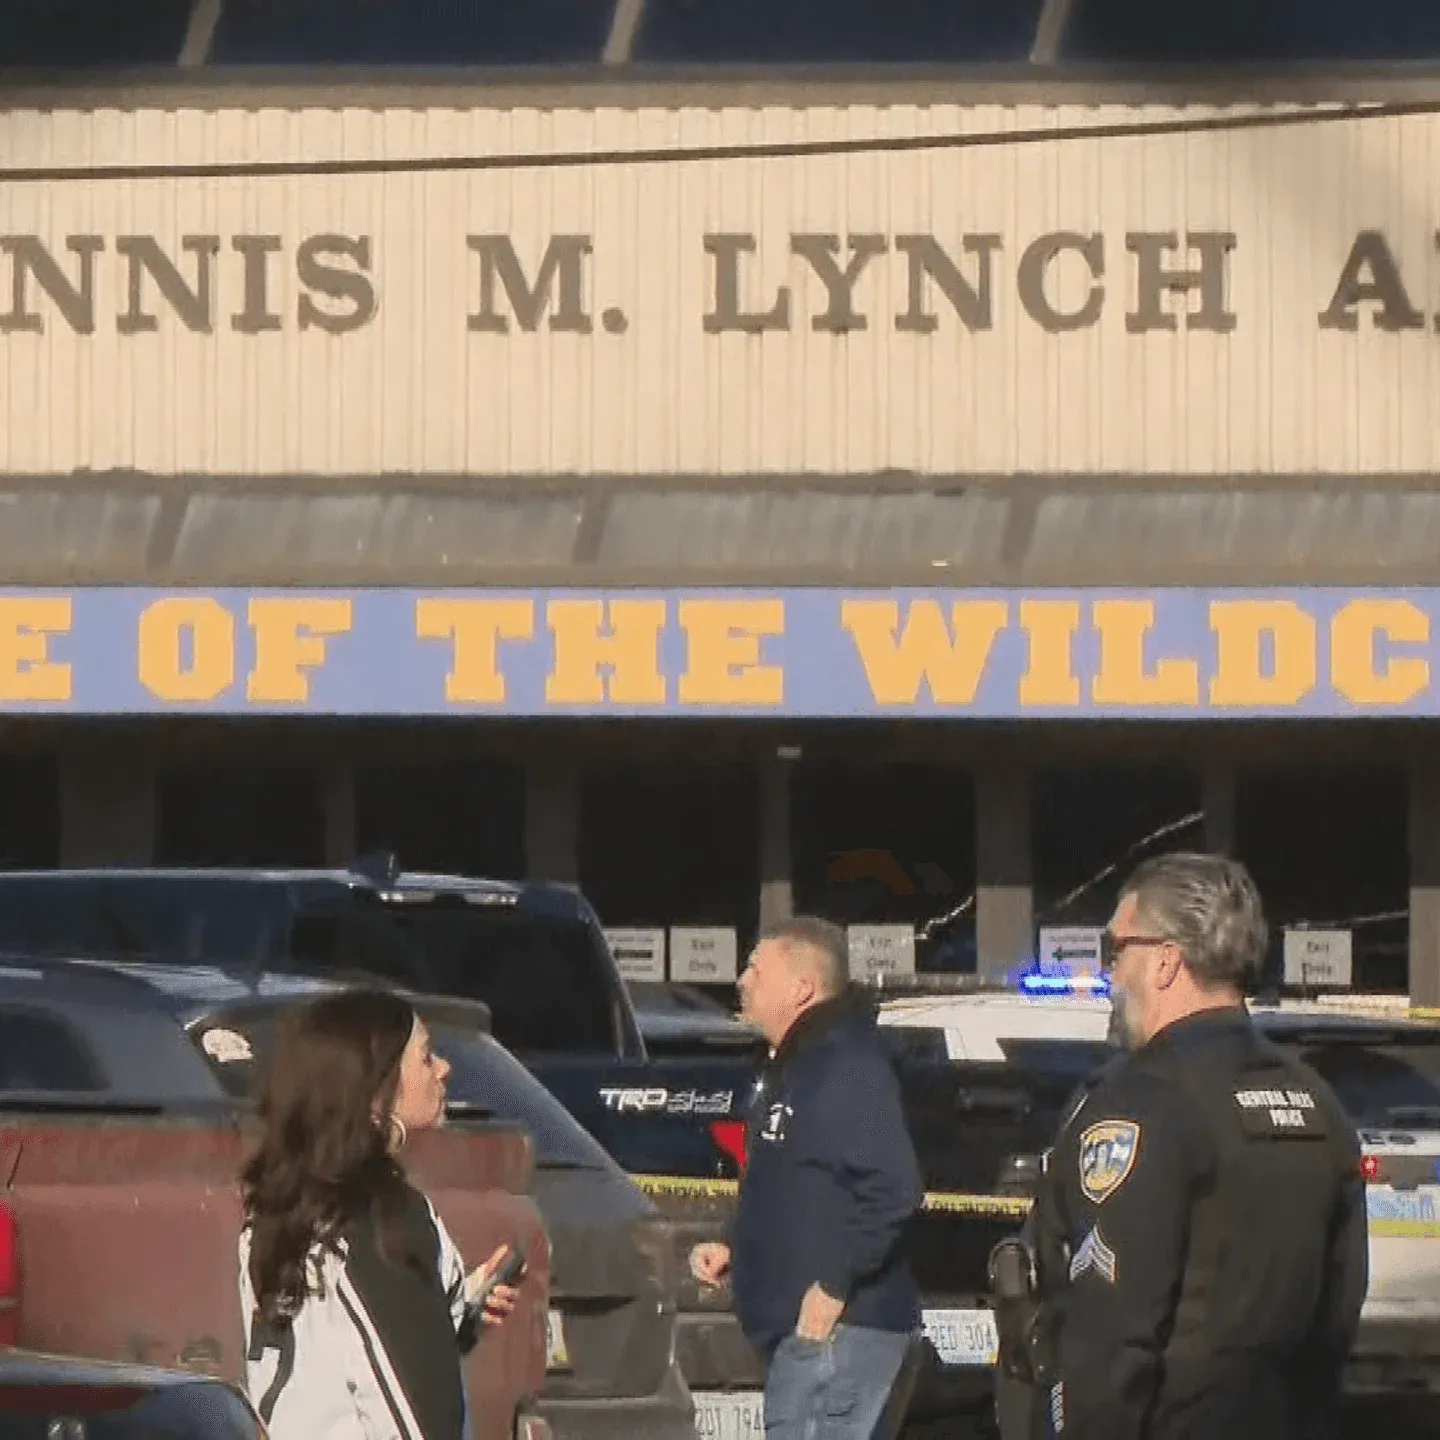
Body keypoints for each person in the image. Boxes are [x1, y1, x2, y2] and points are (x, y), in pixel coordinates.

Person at [1007, 853, 1369, 1440]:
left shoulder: (1142, 1101)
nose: (1112, 974)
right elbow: (1338, 1311)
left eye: (1117, 949)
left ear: (1166, 961)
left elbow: (1110, 1335)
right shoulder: (1315, 1100)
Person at [238, 987, 521, 1440]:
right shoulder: (382, 1223)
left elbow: (349, 1353)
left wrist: (456, 1307)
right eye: (426, 1058)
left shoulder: (277, 1211)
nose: (444, 1068)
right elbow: (416, 1404)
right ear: (374, 1094)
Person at [689, 917, 924, 1440]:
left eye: (756, 968)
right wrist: (734, 1244)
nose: (741, 980)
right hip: (807, 1342)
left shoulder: (847, 1063)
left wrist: (833, 1287)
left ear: (801, 988)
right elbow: (800, 1181)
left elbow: (893, 1188)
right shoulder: (796, 1067)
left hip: (840, 1337)